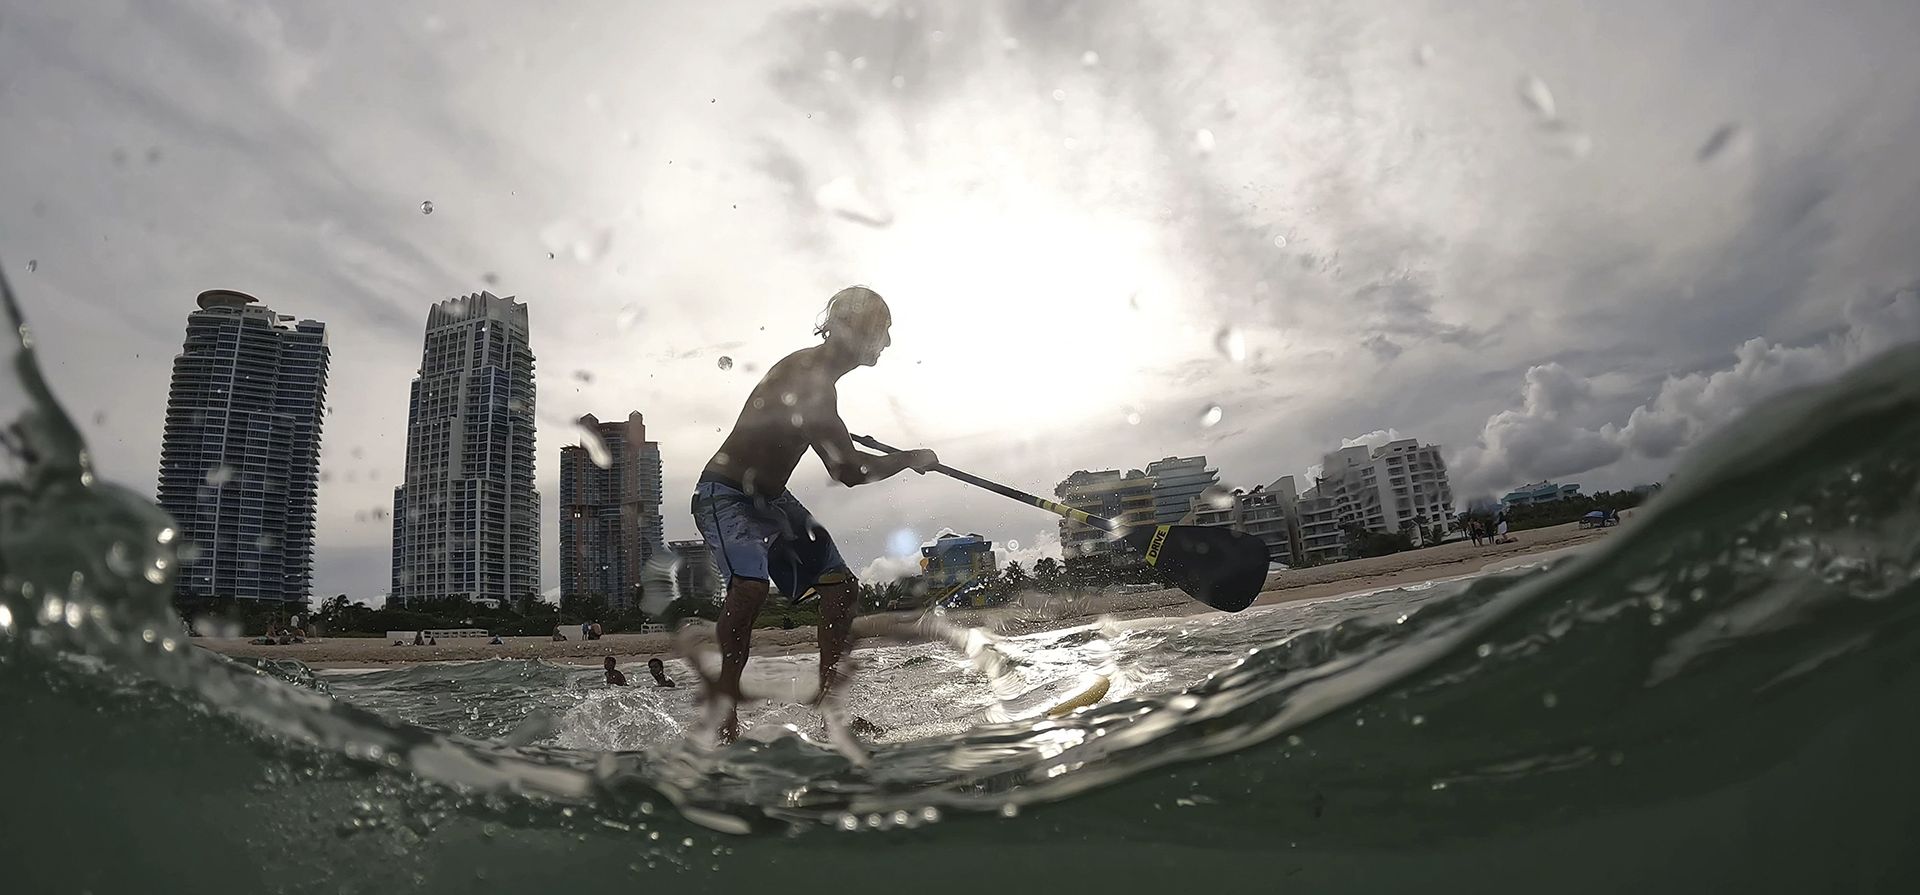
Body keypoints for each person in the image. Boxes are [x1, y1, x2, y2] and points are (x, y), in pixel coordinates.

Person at [691, 286, 939, 743]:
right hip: (723, 495)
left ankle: (831, 710)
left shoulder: (821, 385)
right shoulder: (810, 377)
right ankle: (723, 720)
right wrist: (907, 458)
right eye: (883, 331)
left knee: (841, 587)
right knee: (748, 588)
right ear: (858, 330)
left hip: (772, 501)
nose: (887, 343)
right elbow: (846, 470)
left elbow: (837, 452)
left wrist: (840, 434)